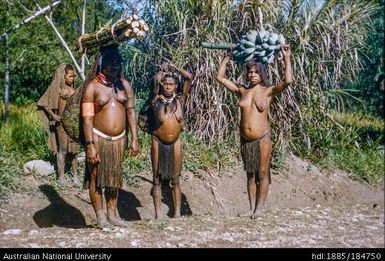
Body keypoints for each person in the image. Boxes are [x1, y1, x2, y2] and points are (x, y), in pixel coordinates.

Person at [216, 44, 292, 218]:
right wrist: (227, 58)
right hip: (246, 140)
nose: (252, 74)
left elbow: (287, 81)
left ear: (262, 73)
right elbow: (220, 78)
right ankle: (251, 208)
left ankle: (260, 208)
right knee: (250, 174)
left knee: (262, 173)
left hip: (262, 138)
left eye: (256, 72)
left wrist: (287, 58)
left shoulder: (268, 91)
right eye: (250, 72)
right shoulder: (242, 90)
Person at [81, 44, 139, 229]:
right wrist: (90, 144)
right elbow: (87, 119)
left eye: (117, 62)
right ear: (101, 64)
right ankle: (100, 217)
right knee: (96, 177)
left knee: (114, 176)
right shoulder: (92, 87)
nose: (114, 66)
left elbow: (131, 113)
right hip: (97, 138)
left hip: (119, 139)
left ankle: (113, 215)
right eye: (110, 62)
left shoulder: (125, 87)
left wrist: (135, 139)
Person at [150, 61, 192, 220]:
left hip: (175, 143)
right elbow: (156, 81)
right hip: (157, 142)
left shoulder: (181, 99)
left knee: (175, 178)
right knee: (156, 178)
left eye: (171, 84)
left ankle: (177, 213)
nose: (168, 87)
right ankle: (158, 213)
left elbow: (188, 77)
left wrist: (175, 68)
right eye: (166, 84)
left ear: (175, 86)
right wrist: (162, 70)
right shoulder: (156, 99)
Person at [37, 64, 80, 186]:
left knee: (74, 151)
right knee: (64, 149)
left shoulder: (74, 89)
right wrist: (53, 115)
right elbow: (43, 102)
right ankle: (61, 176)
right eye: (70, 76)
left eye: (74, 76)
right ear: (63, 76)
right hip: (61, 124)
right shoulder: (57, 88)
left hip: (73, 124)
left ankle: (75, 175)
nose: (73, 79)